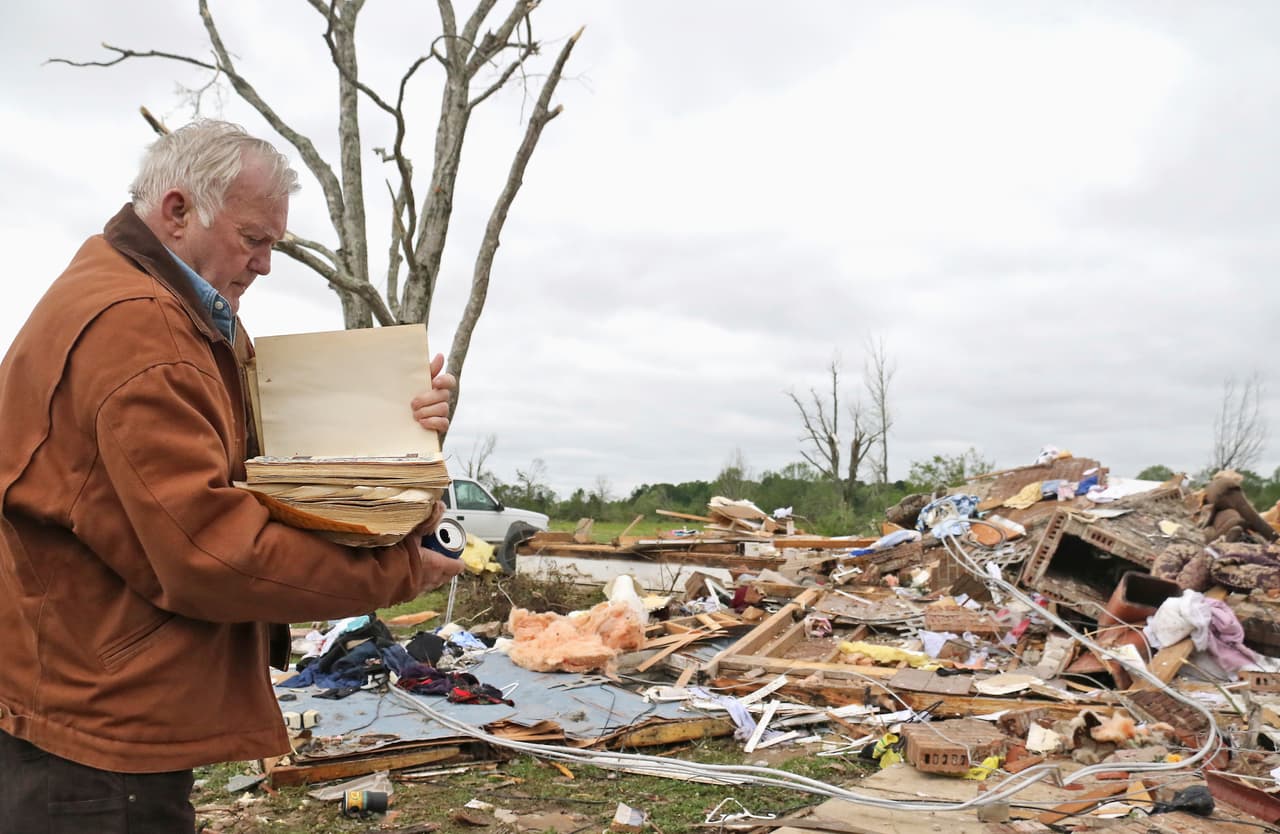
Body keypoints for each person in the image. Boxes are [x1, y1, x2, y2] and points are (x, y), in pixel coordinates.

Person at [0, 120, 465, 833]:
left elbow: (266, 466)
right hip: (99, 734)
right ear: (178, 211)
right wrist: (401, 568)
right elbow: (213, 552)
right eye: (255, 239)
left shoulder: (164, 311)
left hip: (85, 698)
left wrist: (404, 431)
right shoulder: (141, 332)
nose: (266, 263)